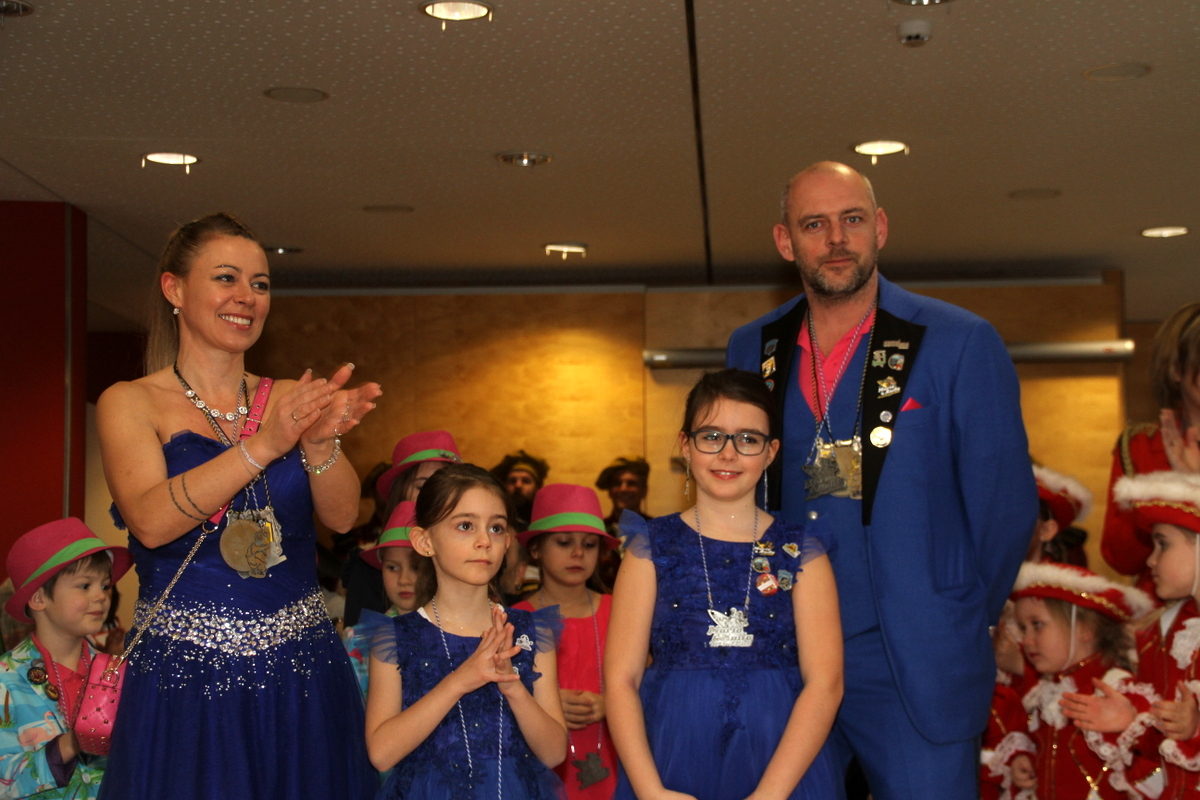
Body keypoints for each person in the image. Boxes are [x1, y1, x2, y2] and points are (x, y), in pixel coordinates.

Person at [726, 161, 1037, 798]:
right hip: (783, 654)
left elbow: (1004, 510)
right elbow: (731, 489)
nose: (837, 238)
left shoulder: (959, 341)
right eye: (815, 224)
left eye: (853, 219)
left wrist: (952, 613)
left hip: (914, 660)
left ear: (881, 228)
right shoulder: (751, 348)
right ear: (786, 241)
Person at [94, 212, 379, 800]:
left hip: (301, 672)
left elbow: (343, 518)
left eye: (260, 283)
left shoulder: (291, 398)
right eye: (226, 278)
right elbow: (150, 521)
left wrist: (319, 444)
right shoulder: (131, 402)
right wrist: (265, 445)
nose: (246, 297)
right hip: (183, 678)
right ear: (174, 289)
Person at [607, 369, 843, 800]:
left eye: (748, 439)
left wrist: (770, 795)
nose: (728, 453)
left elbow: (825, 683)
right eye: (712, 436)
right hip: (670, 757)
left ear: (770, 452)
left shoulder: (802, 551)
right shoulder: (649, 548)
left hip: (781, 766)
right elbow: (621, 679)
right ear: (685, 445)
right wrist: (649, 790)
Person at [363, 463, 568, 800]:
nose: (484, 541)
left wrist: (512, 686)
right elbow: (382, 753)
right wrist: (461, 679)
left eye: (496, 528)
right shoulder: (396, 638)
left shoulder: (530, 632)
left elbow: (555, 752)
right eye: (465, 526)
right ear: (424, 541)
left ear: (508, 542)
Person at [1063, 471, 1200, 797]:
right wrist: (1133, 718)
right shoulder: (1161, 635)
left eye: (1163, 544)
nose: (1151, 560)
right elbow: (1159, 754)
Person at [0, 518, 132, 799]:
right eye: (84, 586)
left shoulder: (116, 674)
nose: (101, 596)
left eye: (105, 586)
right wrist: (70, 744)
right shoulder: (5, 679)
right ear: (39, 599)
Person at [1005, 562, 1155, 798]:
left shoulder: (1118, 690)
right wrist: (1024, 758)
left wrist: (1131, 724)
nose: (1027, 640)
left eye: (1037, 625)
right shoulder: (1045, 692)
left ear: (1086, 628)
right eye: (1023, 628)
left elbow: (1156, 762)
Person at [515, 483, 621, 800]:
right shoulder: (514, 619)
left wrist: (613, 703)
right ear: (536, 549)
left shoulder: (620, 611)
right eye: (564, 542)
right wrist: (543, 702)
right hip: (538, 767)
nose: (578, 553)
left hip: (613, 760)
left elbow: (648, 682)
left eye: (589, 545)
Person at [1102, 302, 1200, 593]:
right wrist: (1171, 490)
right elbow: (1120, 558)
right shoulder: (1141, 446)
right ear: (1176, 369)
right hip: (1165, 608)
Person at [343, 431, 462, 626]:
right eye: (422, 487)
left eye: (446, 488)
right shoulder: (369, 567)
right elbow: (359, 639)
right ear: (400, 491)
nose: (436, 498)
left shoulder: (473, 557)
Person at [344, 500, 423, 699]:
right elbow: (357, 706)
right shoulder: (360, 639)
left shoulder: (454, 629)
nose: (404, 580)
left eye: (416, 567)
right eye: (392, 567)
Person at [491, 451, 550, 531]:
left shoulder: (545, 521)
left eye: (526, 481)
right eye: (512, 481)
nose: (518, 485)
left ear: (537, 488)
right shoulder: (494, 519)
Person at [595, 457, 650, 536]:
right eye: (617, 483)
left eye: (631, 483)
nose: (623, 489)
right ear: (610, 491)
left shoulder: (659, 532)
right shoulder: (597, 533)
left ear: (644, 490)